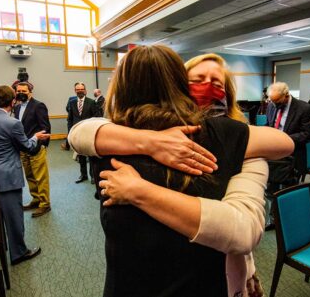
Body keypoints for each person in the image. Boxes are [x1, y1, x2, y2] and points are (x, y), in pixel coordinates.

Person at [69, 46, 293, 297]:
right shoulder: (111, 136)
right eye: (197, 80)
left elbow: (243, 231)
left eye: (216, 83)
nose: (207, 88)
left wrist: (140, 191)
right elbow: (81, 133)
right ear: (178, 84)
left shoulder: (109, 143)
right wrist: (150, 142)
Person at [0, 85, 50, 265]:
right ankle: (19, 253)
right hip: (6, 177)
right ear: (12, 101)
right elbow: (28, 147)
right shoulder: (12, 123)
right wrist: (36, 137)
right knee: (13, 219)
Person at [264, 82, 310, 230]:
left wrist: (284, 139)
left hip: (293, 154)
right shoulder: (271, 105)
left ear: (286, 96)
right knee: (270, 187)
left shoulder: (303, 108)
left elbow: (308, 133)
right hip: (274, 153)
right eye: (272, 101)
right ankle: (273, 219)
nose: (274, 104)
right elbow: (269, 124)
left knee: (289, 189)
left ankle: (288, 221)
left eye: (277, 101)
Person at [14, 82, 52, 218]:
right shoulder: (17, 107)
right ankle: (36, 199)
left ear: (30, 92)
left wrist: (42, 145)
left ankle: (45, 204)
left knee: (41, 177)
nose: (21, 93)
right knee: (29, 175)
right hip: (23, 147)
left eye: (24, 91)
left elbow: (45, 127)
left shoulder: (38, 105)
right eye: (18, 91)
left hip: (36, 147)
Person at [67, 82, 98, 184]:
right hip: (77, 134)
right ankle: (83, 175)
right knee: (81, 156)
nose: (80, 91)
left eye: (81, 89)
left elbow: (96, 118)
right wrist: (70, 132)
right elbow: (70, 119)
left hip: (89, 133)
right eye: (77, 89)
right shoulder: (71, 103)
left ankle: (93, 176)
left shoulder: (92, 102)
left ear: (85, 90)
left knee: (91, 156)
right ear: (75, 91)